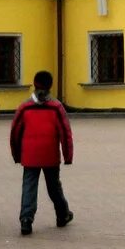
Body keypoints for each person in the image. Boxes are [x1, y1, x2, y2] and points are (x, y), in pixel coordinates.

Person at [9, 70, 74, 236]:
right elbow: (65, 133)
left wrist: (17, 154)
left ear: (34, 83)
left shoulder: (25, 107)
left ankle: (26, 219)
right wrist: (67, 156)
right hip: (50, 154)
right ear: (50, 86)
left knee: (29, 186)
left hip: (29, 156)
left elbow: (15, 132)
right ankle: (62, 214)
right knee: (54, 187)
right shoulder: (56, 107)